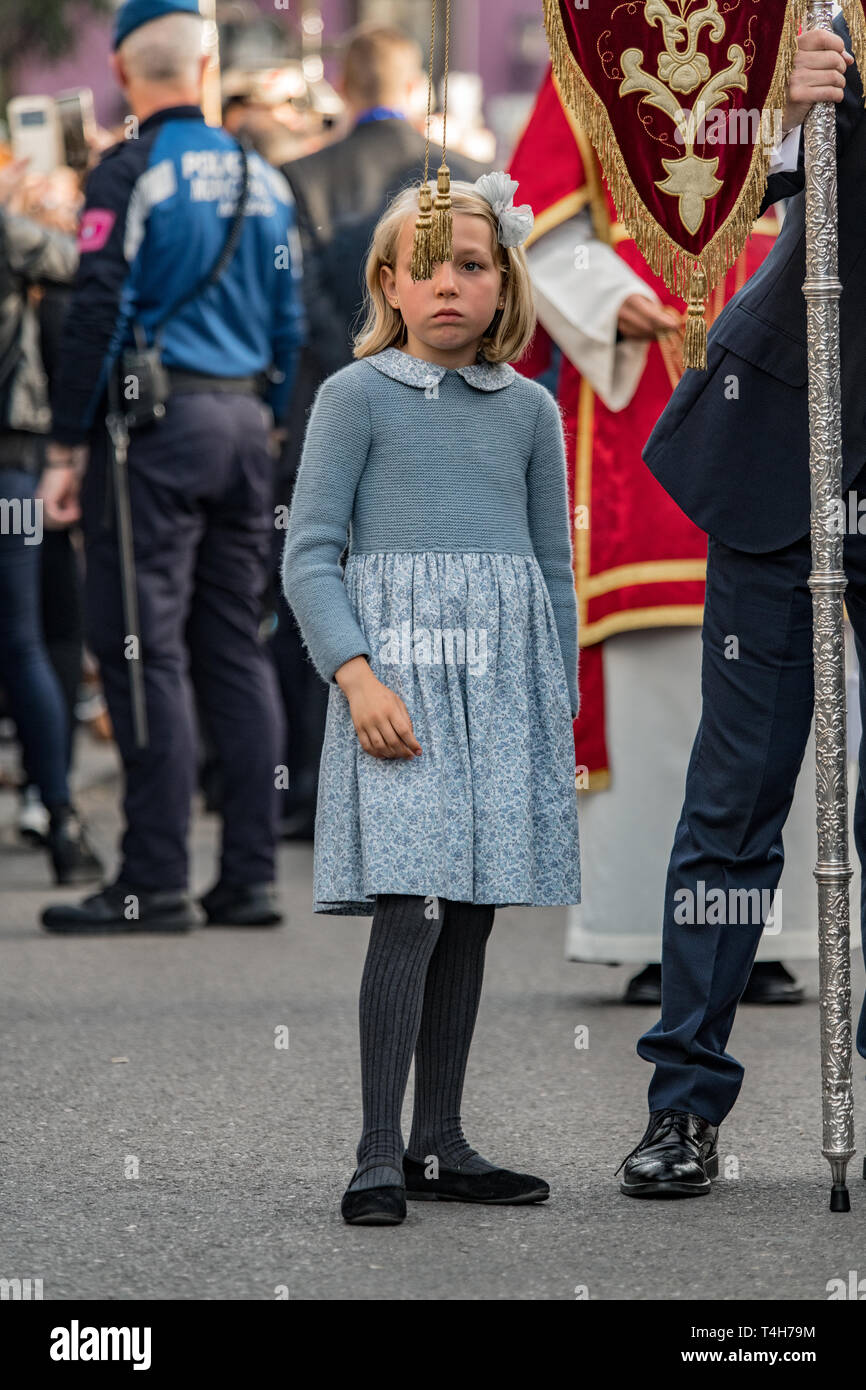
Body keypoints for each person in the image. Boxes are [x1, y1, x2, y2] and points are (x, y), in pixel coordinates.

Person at [281, 173, 580, 1225]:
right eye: (425, 266)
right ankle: (375, 1148)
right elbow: (310, 555)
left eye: (469, 263)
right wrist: (354, 672)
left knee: (472, 910)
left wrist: (559, 701)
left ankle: (440, 1140)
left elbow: (551, 569)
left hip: (502, 687)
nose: (447, 283)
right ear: (387, 283)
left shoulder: (531, 411)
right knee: (407, 904)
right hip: (396, 681)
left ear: (502, 282)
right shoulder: (352, 397)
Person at [509, 68, 823, 1006]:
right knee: (652, 690)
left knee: (785, 680)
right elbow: (540, 221)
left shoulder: (806, 33)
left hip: (782, 376)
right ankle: (651, 930)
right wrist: (608, 303)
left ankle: (767, 936)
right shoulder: (592, 47)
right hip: (644, 401)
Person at [618, 19, 866, 1196]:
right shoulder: (829, 32)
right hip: (782, 447)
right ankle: (683, 1104)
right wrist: (777, 110)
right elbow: (692, 185)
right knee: (731, 805)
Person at [36, 0, 305, 934]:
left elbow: (96, 308)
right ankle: (250, 875)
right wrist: (262, 419)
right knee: (233, 642)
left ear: (121, 69)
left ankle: (151, 880)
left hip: (153, 431)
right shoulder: (262, 175)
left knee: (140, 645)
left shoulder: (129, 169)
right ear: (201, 67)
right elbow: (292, 322)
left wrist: (67, 443)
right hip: (242, 425)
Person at [273, 24, 487, 841]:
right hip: (451, 404)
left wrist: (353, 370)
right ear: (408, 78)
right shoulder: (465, 176)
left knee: (320, 572)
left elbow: (297, 312)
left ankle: (315, 787)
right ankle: (446, 770)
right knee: (443, 580)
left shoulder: (298, 175)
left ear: (343, 83)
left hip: (332, 397)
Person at [0, 164, 102, 885]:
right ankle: (61, 817)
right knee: (22, 639)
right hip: (11, 462)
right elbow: (82, 266)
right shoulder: (7, 233)